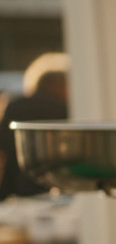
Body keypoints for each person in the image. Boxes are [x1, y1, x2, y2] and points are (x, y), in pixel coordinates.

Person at [0, 52, 69, 200]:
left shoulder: (15, 107)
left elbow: (2, 154)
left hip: (14, 193)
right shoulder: (64, 110)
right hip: (54, 193)